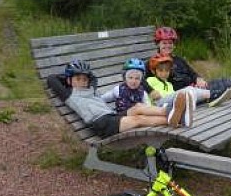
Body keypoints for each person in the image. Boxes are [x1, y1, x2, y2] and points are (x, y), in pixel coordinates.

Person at [46, 59, 192, 139]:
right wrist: (68, 77)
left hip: (112, 116)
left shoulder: (91, 89)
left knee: (138, 107)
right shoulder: (70, 95)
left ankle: (171, 111)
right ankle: (176, 120)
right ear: (70, 81)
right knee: (138, 120)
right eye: (78, 79)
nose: (82, 82)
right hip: (102, 124)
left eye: (85, 79)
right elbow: (51, 79)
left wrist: (84, 76)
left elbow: (93, 80)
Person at [146, 53, 231, 108]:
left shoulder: (169, 84)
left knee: (189, 92)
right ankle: (213, 95)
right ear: (154, 71)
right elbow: (144, 90)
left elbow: (174, 97)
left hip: (171, 104)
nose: (164, 73)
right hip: (159, 104)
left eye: (167, 71)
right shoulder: (150, 80)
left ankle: (212, 97)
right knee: (188, 89)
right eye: (160, 71)